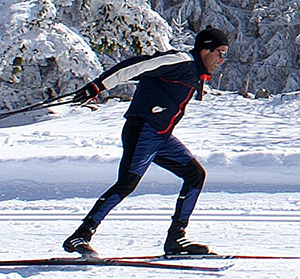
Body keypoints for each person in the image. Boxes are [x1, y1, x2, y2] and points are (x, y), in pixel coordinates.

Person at [61, 27, 229, 257]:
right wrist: (99, 85)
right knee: (127, 183)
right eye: (220, 52)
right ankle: (80, 235)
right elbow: (139, 65)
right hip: (143, 130)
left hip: (161, 136)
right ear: (205, 50)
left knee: (195, 175)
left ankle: (176, 240)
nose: (222, 59)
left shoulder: (194, 72)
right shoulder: (181, 62)